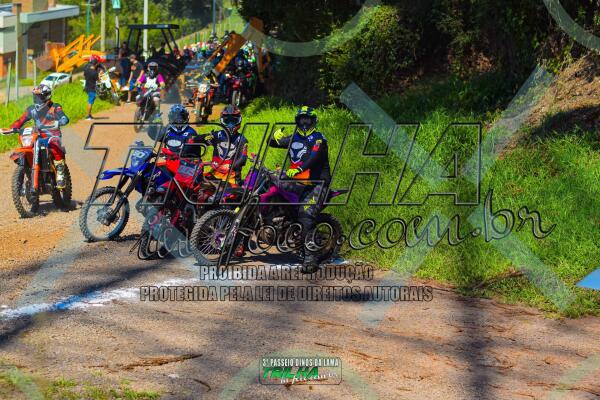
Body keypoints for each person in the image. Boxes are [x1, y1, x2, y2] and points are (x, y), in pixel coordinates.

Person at [269, 106, 331, 273]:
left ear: (314, 121)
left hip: (317, 184)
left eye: (307, 119)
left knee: (306, 216)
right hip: (297, 181)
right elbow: (272, 143)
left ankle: (311, 257)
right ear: (297, 121)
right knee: (269, 184)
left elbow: (313, 157)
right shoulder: (294, 137)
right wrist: (273, 137)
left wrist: (299, 169)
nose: (304, 122)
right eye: (301, 119)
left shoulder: (318, 138)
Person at [10, 84, 70, 189]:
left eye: (39, 97)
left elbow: (64, 118)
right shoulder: (31, 109)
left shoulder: (55, 107)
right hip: (37, 136)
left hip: (53, 136)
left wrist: (60, 121)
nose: (36, 100)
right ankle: (27, 170)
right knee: (26, 148)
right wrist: (12, 128)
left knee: (54, 145)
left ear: (46, 96)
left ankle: (60, 171)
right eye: (35, 97)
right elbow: (20, 121)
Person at [200, 105, 248, 187]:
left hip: (231, 179)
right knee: (195, 183)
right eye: (227, 121)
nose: (230, 124)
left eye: (233, 121)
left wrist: (230, 166)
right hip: (214, 176)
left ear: (239, 120)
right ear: (222, 120)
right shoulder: (216, 135)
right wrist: (190, 140)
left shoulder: (242, 139)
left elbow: (242, 159)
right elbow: (201, 139)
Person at [83, 56, 102, 120]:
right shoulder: (94, 72)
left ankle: (89, 115)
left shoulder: (86, 70)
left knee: (90, 101)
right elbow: (98, 80)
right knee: (90, 102)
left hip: (87, 86)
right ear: (95, 64)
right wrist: (99, 75)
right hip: (92, 88)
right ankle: (88, 116)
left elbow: (84, 75)